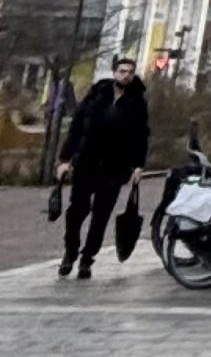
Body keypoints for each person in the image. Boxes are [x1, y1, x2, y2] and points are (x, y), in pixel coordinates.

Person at [56, 56, 149, 281]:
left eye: (129, 72)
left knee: (101, 215)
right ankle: (70, 252)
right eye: (122, 71)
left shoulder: (137, 102)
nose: (125, 75)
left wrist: (138, 165)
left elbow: (141, 136)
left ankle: (87, 259)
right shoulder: (97, 95)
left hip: (115, 167)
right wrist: (65, 159)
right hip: (87, 161)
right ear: (114, 72)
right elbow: (78, 127)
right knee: (76, 211)